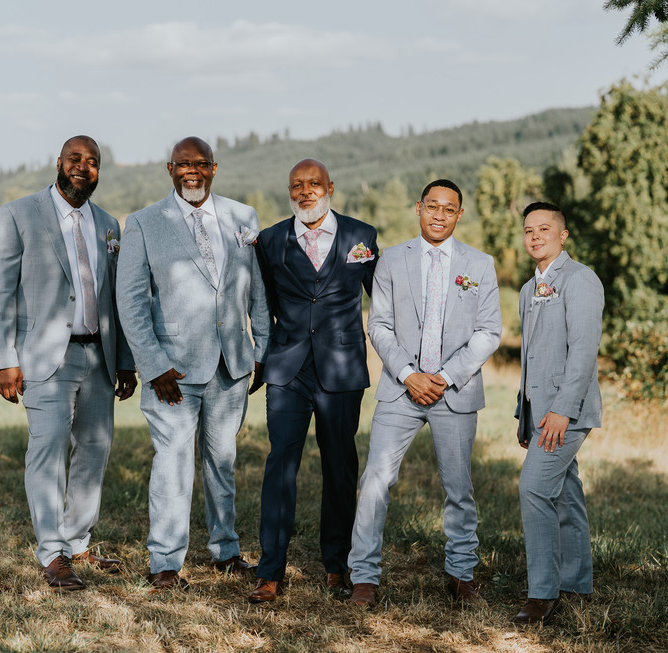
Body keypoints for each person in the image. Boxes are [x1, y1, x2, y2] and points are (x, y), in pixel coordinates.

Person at [0, 135, 137, 591]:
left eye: (92, 162)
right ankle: (52, 554)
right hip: (45, 357)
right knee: (48, 451)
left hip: (99, 355)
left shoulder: (108, 224)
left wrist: (124, 360)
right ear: (58, 163)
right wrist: (3, 359)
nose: (82, 167)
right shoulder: (19, 214)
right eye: (75, 158)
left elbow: (116, 298)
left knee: (95, 449)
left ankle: (77, 541)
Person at [116, 136, 270, 589]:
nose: (192, 171)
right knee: (173, 463)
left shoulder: (243, 217)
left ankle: (226, 551)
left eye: (201, 164)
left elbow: (256, 289)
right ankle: (164, 563)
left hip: (232, 365)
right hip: (173, 372)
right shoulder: (144, 223)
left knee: (222, 461)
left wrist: (261, 350)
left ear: (214, 168)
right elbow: (131, 301)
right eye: (183, 164)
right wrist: (153, 364)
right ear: (170, 169)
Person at [346, 180, 501, 608]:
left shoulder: (479, 264)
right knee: (375, 479)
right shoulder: (392, 260)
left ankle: (461, 575)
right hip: (401, 391)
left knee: (459, 487)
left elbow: (489, 332)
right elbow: (379, 325)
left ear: (459, 215)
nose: (439, 215)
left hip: (456, 392)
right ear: (419, 208)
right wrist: (409, 374)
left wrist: (446, 376)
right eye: (432, 206)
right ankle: (364, 577)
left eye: (449, 209)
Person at [247, 159, 378, 604]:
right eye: (296, 186)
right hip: (288, 369)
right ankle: (270, 571)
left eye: (314, 184)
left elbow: (383, 301)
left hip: (342, 368)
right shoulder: (269, 240)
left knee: (340, 466)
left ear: (330, 187)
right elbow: (262, 303)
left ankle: (337, 565)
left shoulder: (362, 236)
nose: (305, 192)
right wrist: (262, 354)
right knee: (280, 465)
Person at [513, 201, 602, 625]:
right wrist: (525, 414)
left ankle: (542, 593)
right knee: (565, 492)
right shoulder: (527, 290)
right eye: (528, 230)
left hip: (568, 411)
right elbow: (530, 358)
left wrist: (562, 411)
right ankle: (577, 583)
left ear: (562, 235)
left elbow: (583, 351)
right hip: (539, 413)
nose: (535, 237)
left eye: (544, 229)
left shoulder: (580, 279)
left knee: (533, 488)